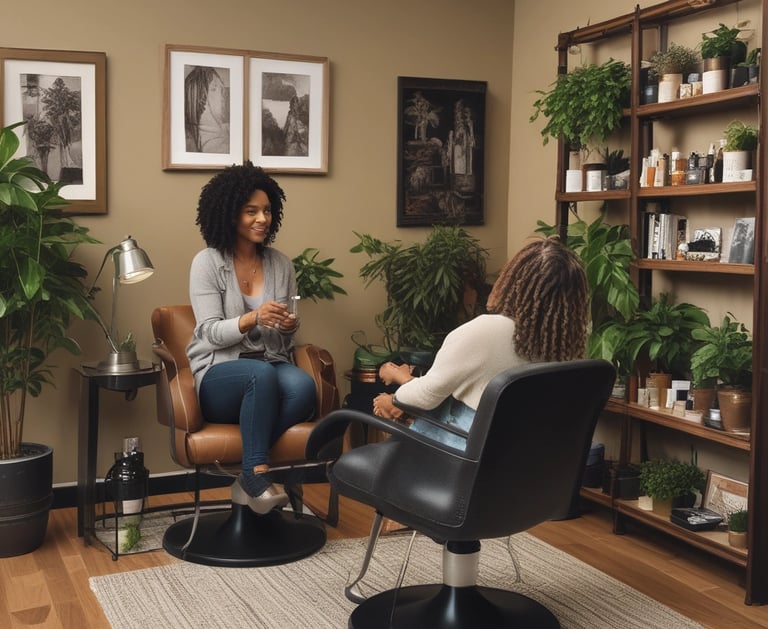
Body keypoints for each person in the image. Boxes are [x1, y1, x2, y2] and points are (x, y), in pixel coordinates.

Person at [371, 237, 589, 450]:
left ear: (511, 283)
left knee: (391, 407)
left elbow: (426, 396)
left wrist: (394, 399)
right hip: (529, 465)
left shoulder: (483, 331)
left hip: (464, 461)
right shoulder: (568, 349)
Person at [186, 162, 316, 514]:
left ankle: (245, 472)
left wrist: (287, 326)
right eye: (251, 211)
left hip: (270, 363)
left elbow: (284, 340)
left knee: (304, 387)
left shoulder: (281, 264)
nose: (263, 219)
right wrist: (252, 317)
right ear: (229, 214)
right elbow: (209, 332)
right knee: (260, 376)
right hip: (221, 372)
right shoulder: (207, 263)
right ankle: (258, 475)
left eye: (267, 210)